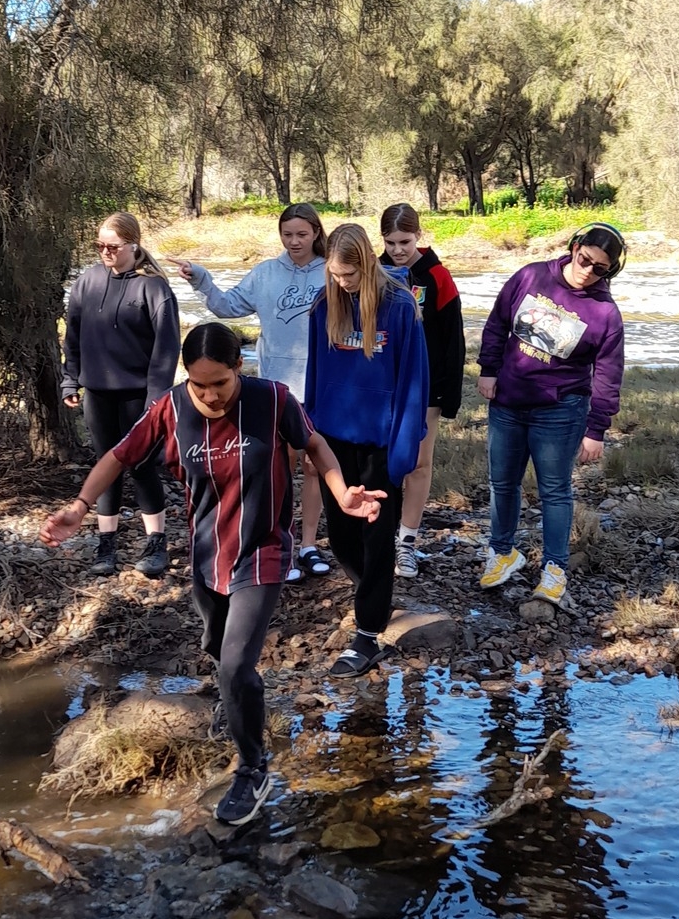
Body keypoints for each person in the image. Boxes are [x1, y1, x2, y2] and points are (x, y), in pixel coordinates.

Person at [41, 323, 386, 825]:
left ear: (238, 369)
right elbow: (117, 456)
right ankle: (236, 706)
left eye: (219, 383)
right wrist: (79, 508)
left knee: (235, 665)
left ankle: (254, 768)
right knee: (214, 646)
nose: (209, 395)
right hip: (207, 557)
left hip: (263, 552)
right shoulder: (171, 409)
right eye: (198, 384)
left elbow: (315, 447)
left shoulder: (273, 401)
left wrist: (342, 495)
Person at [172, 203, 331, 581]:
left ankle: (309, 544)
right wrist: (201, 278)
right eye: (287, 234)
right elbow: (227, 306)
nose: (294, 242)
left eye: (302, 234)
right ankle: (282, 547)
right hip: (279, 389)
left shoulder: (330, 273)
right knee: (280, 469)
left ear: (316, 234)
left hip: (323, 386)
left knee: (315, 467)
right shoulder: (265, 274)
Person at [476, 221, 627, 609]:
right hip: (508, 402)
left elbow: (609, 374)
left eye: (600, 269)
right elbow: (496, 323)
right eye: (585, 259)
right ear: (574, 247)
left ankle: (555, 571)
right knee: (502, 483)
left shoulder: (604, 313)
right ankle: (502, 553)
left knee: (555, 491)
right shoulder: (530, 276)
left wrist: (597, 429)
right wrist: (489, 369)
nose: (588, 271)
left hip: (561, 410)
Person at [304, 222, 429, 676]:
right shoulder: (324, 305)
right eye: (335, 275)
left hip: (382, 440)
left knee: (378, 541)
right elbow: (315, 375)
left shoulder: (399, 306)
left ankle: (369, 635)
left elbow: (413, 380)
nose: (342, 283)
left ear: (368, 263)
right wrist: (310, 435)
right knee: (340, 537)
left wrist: (404, 448)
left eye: (350, 275)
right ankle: (373, 596)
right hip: (336, 438)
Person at [61, 211, 181, 579]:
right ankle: (106, 544)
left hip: (139, 396)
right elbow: (74, 336)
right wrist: (70, 380)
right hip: (98, 392)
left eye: (112, 246)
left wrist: (156, 399)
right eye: (99, 246)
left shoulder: (154, 287)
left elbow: (166, 348)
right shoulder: (88, 281)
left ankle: (155, 542)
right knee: (106, 465)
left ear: (133, 245)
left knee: (143, 465)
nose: (104, 253)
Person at [379, 202, 465, 580]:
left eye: (405, 241)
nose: (398, 249)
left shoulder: (437, 276)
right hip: (382, 385)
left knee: (418, 461)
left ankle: (407, 541)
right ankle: (379, 536)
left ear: (419, 236)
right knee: (381, 463)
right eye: (390, 241)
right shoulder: (374, 272)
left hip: (426, 385)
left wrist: (449, 394)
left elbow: (453, 338)